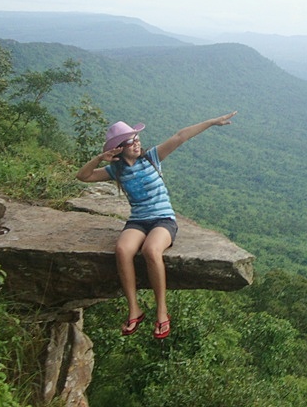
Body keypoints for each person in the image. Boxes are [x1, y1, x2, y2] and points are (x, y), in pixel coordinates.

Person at [76, 111, 237, 339]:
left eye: (137, 138)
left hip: (163, 219)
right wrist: (99, 159)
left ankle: (161, 311)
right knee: (122, 250)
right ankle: (134, 309)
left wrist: (211, 122)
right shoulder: (116, 170)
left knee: (151, 250)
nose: (137, 142)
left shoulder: (152, 157)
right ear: (119, 148)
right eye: (131, 141)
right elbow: (83, 176)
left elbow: (180, 136)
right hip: (138, 220)